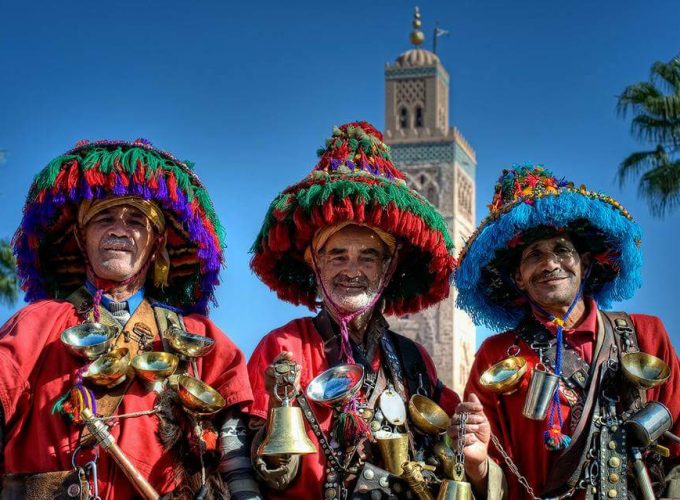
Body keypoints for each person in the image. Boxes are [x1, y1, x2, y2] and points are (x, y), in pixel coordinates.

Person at [247, 122, 501, 499]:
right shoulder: (282, 346)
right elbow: (247, 467)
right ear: (314, 263)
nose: (352, 269)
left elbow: (453, 457)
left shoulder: (414, 362)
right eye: (337, 255)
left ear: (388, 267)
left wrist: (476, 455)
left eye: (367, 257)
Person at [0, 139, 260, 499]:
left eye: (136, 220)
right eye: (104, 217)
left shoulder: (199, 335)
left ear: (155, 244)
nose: (120, 230)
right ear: (80, 236)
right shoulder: (36, 323)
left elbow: (234, 439)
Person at [454, 165, 680, 499]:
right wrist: (476, 463)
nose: (550, 264)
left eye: (562, 249)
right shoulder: (495, 356)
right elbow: (486, 469)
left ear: (584, 264)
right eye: (534, 255)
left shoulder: (646, 334)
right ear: (518, 277)